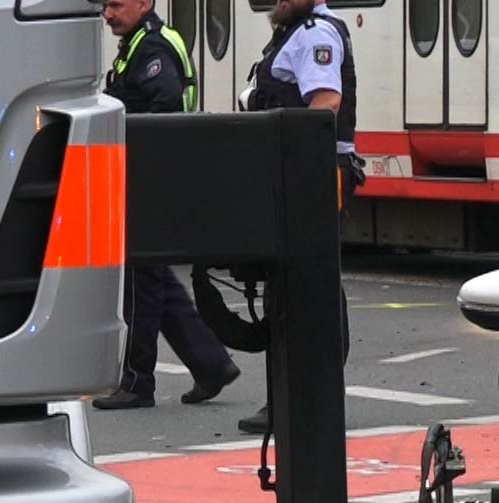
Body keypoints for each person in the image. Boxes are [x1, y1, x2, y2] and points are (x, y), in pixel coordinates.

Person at [93, 0, 241, 412]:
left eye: (117, 5)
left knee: (141, 283)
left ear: (144, 3)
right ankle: (210, 364)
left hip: (150, 179)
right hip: (148, 178)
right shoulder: (139, 43)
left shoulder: (152, 49)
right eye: (106, 5)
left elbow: (163, 113)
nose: (108, 13)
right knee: (155, 280)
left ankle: (138, 382)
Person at [236, 0, 362, 435]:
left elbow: (324, 103)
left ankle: (309, 396)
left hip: (313, 173)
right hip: (300, 171)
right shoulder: (294, 31)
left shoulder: (314, 33)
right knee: (297, 284)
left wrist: (291, 158)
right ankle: (299, 396)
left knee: (308, 285)